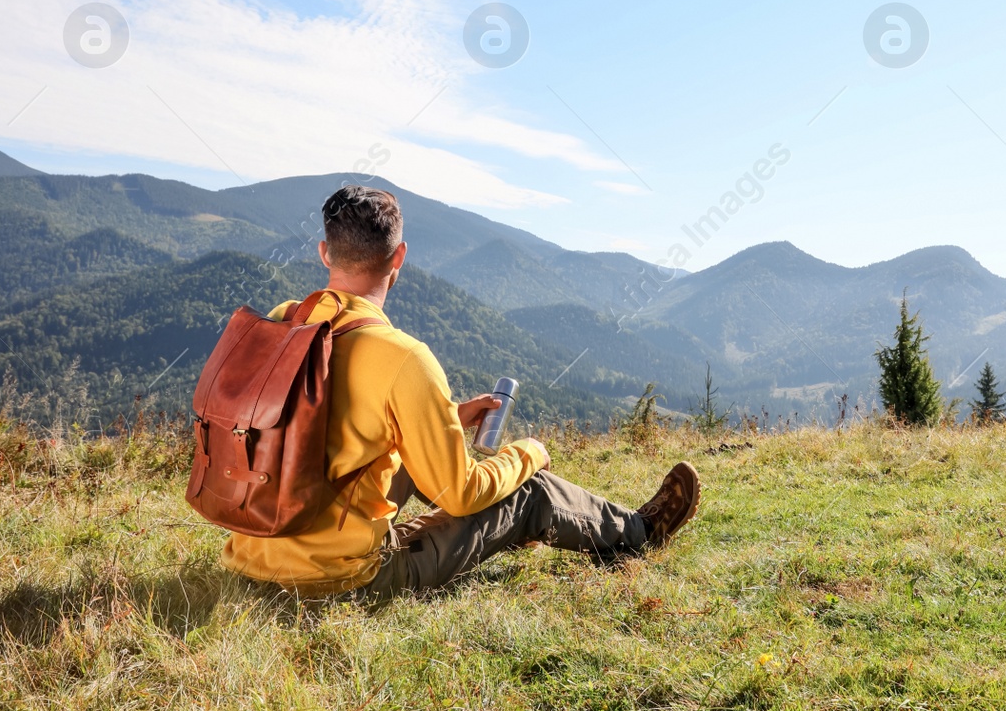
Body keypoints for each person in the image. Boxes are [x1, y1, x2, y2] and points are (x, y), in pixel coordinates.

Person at [220, 184, 700, 598]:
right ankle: (641, 533)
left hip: (249, 559)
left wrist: (444, 415)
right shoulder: (403, 358)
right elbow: (462, 494)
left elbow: (326, 424)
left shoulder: (286, 320)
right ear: (399, 258)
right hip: (340, 582)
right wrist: (528, 452)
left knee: (405, 455)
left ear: (324, 253)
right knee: (527, 493)